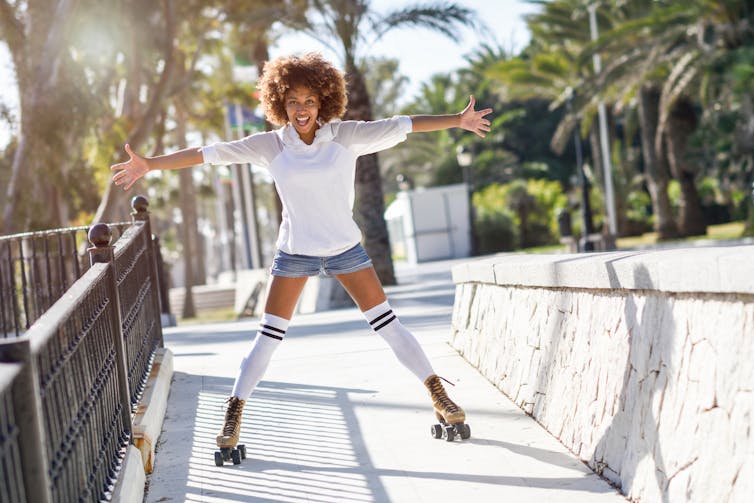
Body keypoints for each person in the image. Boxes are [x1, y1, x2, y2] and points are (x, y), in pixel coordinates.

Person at [111, 52, 492, 450]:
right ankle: (234, 412)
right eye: (292, 101)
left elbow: (406, 125)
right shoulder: (271, 145)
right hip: (295, 254)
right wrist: (150, 165)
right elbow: (210, 152)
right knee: (267, 339)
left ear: (323, 101)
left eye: (310, 101)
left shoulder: (346, 136)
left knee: (388, 325)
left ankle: (437, 393)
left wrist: (457, 120)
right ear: (280, 103)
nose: (302, 109)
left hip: (345, 249)